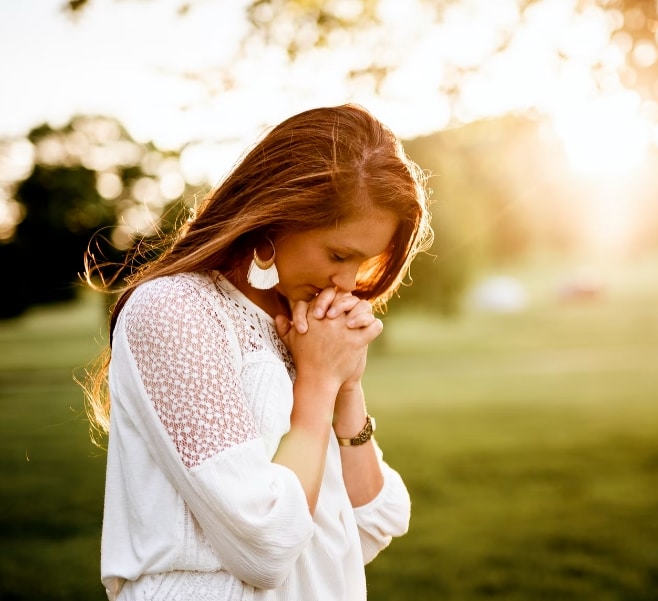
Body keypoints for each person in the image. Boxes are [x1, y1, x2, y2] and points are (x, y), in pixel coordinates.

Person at [81, 103, 433, 601]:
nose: (349, 283)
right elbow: (265, 543)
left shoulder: (300, 326)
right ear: (276, 218)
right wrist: (315, 391)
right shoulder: (176, 312)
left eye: (363, 261)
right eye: (338, 255)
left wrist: (345, 385)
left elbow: (372, 525)